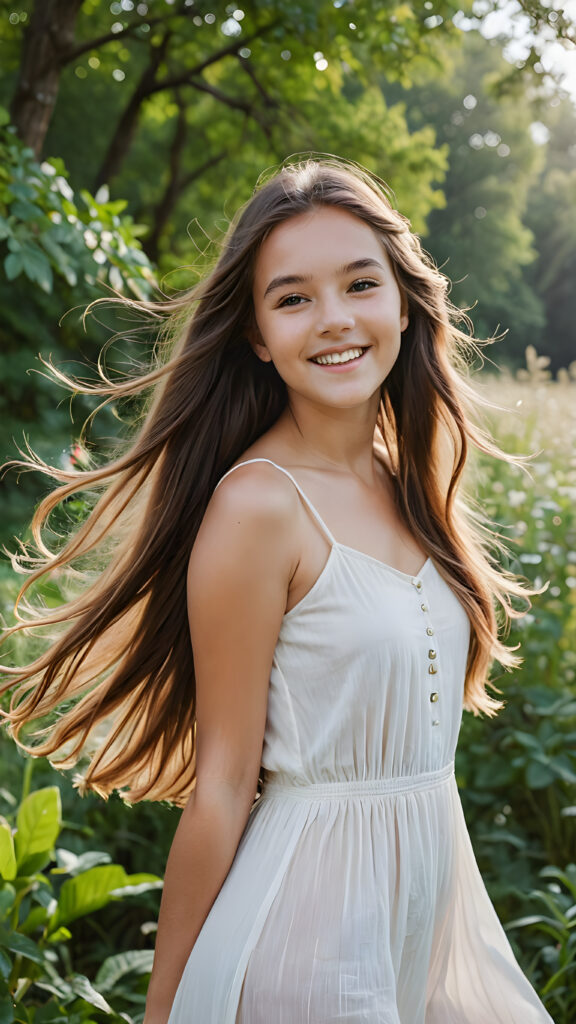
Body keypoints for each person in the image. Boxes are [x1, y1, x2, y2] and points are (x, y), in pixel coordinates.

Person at [1, 157, 554, 1024]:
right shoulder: (260, 506)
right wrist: (165, 1008)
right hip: (310, 944)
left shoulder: (407, 482)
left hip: (427, 916)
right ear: (257, 333)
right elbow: (223, 784)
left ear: (404, 302)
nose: (334, 319)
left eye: (360, 283)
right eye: (292, 298)